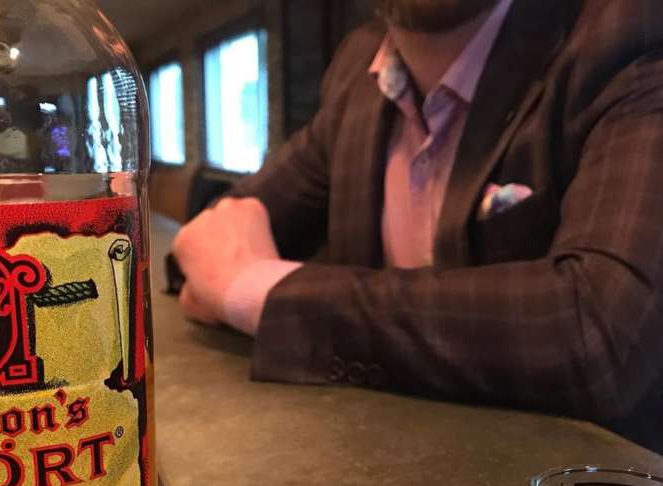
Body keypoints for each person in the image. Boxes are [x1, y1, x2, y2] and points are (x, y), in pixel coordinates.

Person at [172, 0, 663, 452]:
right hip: (375, 472)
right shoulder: (359, 69)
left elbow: (601, 336)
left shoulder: (625, 32)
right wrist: (226, 276)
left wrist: (259, 292)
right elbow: (208, 248)